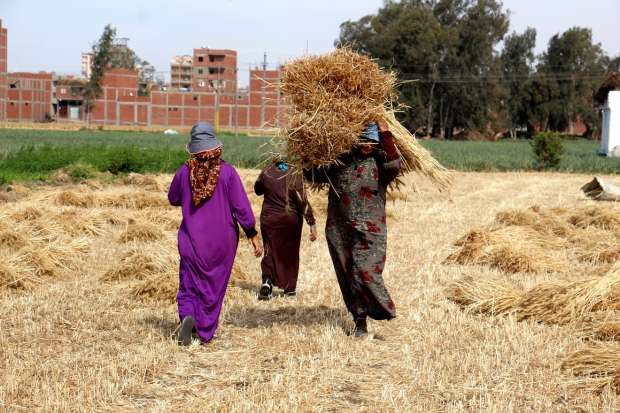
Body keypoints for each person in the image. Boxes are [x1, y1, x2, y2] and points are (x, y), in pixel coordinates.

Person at [168, 122, 262, 346]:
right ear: (216, 147)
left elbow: (173, 198)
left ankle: (188, 316)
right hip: (222, 242)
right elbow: (241, 207)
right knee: (213, 286)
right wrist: (252, 234)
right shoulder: (227, 173)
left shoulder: (184, 172)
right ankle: (204, 331)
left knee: (189, 283)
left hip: (191, 240)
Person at [304, 120, 400, 337]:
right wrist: (308, 146)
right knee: (348, 276)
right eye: (363, 141)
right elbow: (312, 174)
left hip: (370, 230)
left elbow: (395, 165)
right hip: (340, 230)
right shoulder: (340, 162)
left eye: (371, 142)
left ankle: (382, 309)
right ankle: (360, 320)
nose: (367, 145)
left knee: (366, 271)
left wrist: (386, 135)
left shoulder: (380, 164)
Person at [254, 160, 317, 300]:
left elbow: (257, 189)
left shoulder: (268, 169)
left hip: (269, 218)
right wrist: (311, 223)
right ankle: (289, 288)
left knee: (269, 249)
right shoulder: (294, 172)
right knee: (290, 252)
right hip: (290, 221)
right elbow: (303, 200)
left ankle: (267, 282)